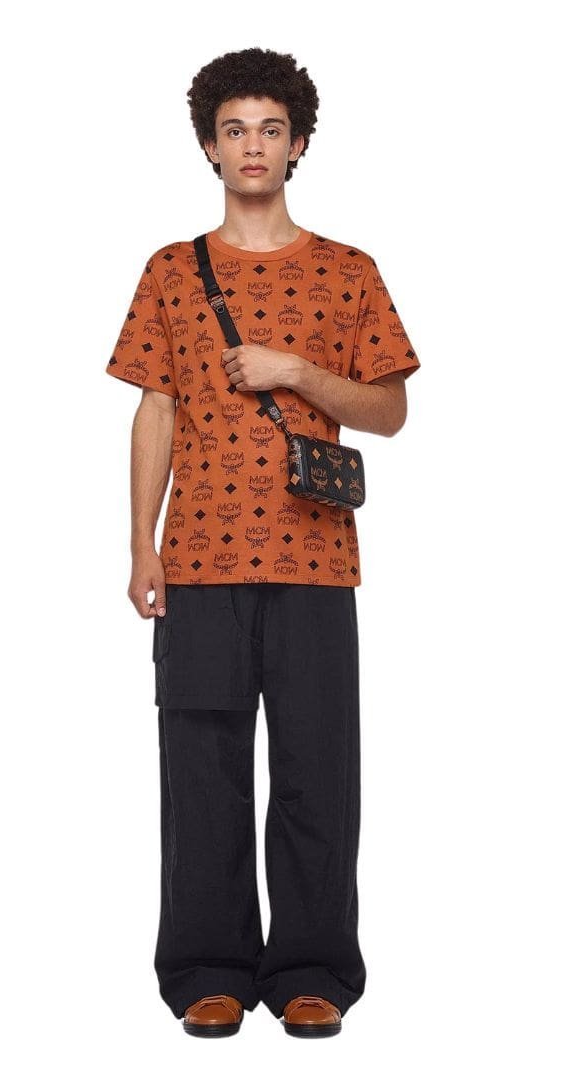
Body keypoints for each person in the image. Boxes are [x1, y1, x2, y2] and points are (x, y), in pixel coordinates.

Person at [105, 47, 420, 1038]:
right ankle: (207, 968)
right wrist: (140, 544)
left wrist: (298, 372)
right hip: (198, 559)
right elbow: (154, 410)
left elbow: (390, 411)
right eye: (235, 129)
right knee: (200, 772)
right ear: (209, 145)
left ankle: (313, 969)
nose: (253, 146)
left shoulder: (348, 270)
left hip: (315, 562)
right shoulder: (170, 270)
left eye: (271, 129)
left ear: (298, 144)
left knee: (319, 771)